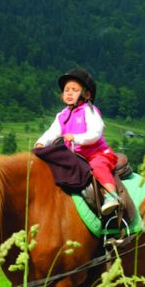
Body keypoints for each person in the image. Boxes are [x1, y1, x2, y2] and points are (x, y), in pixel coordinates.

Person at [34, 67, 121, 214]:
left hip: (97, 153)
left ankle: (111, 196)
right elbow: (52, 132)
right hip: (76, 158)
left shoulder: (89, 110)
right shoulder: (62, 115)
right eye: (66, 89)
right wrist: (41, 143)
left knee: (97, 167)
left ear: (86, 94)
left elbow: (96, 132)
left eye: (74, 89)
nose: (69, 92)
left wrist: (76, 138)